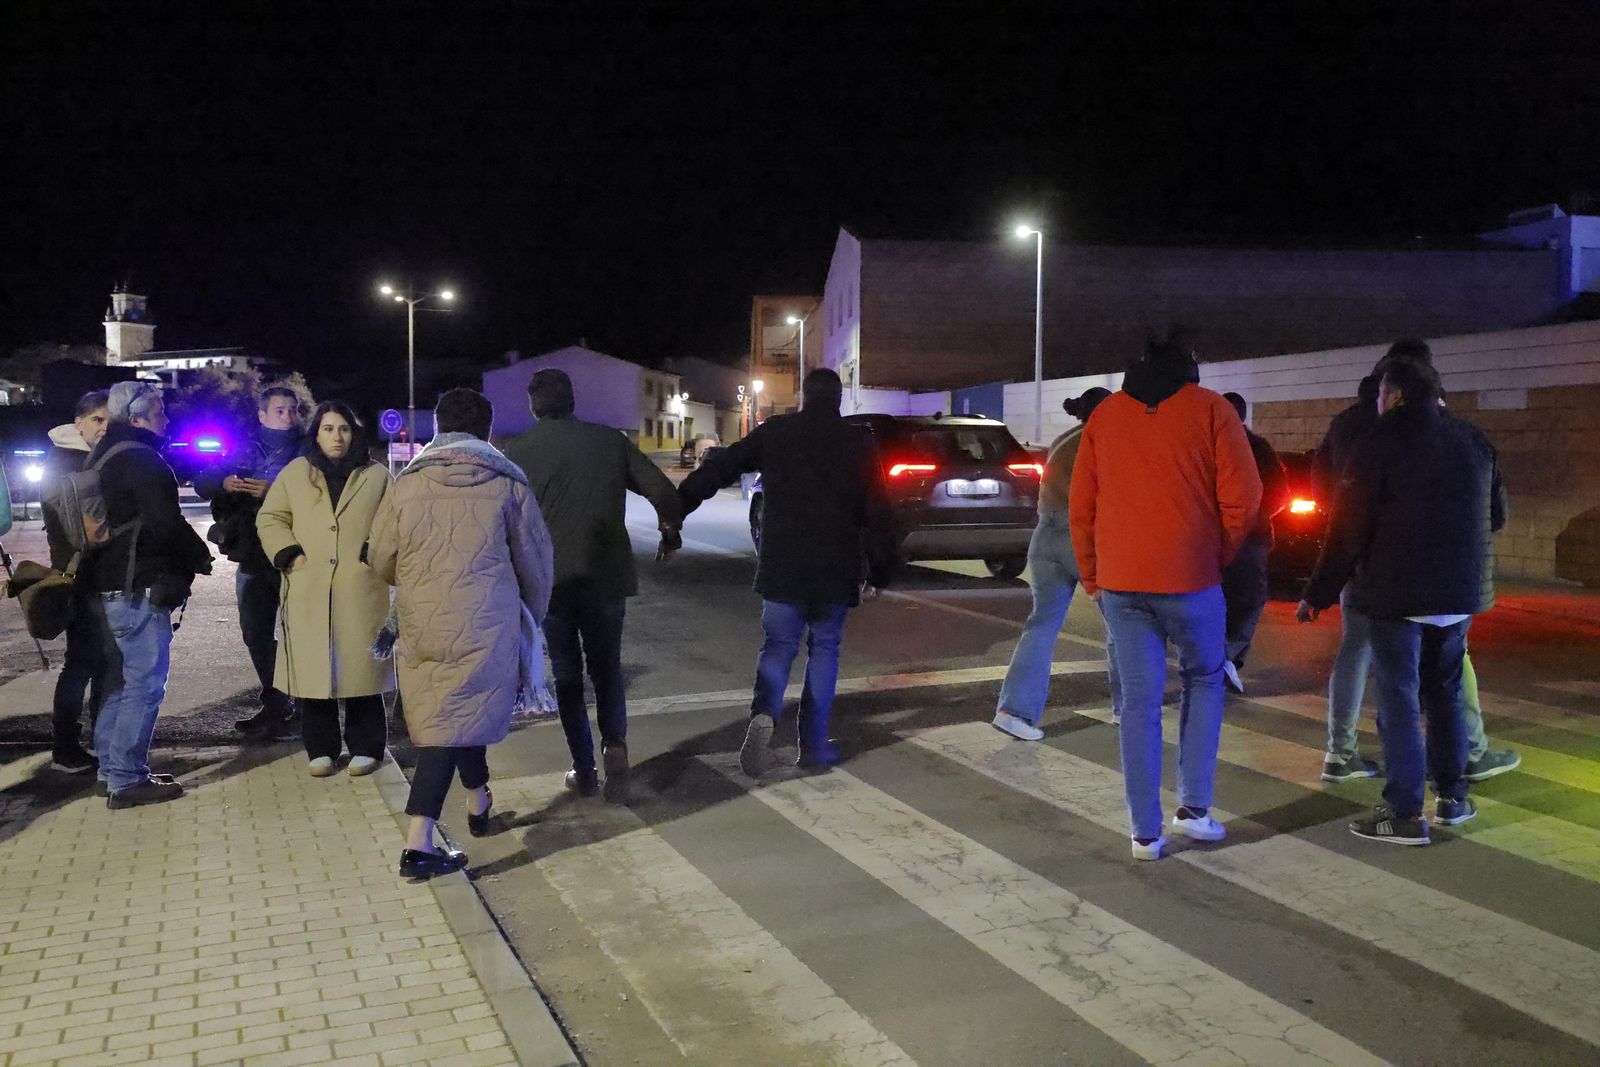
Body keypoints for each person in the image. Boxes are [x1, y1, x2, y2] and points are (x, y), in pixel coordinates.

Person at [1298, 358, 1508, 844]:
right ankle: (1453, 799)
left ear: (1392, 395)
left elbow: (1347, 530)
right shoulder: (1473, 440)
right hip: (1458, 595)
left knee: (1398, 699)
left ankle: (1405, 813)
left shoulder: (1378, 442)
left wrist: (1319, 593)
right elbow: (1497, 513)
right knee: (1446, 694)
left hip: (1397, 594)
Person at [1069, 333, 1262, 861]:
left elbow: (1081, 506)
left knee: (1139, 703)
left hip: (1122, 585)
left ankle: (1144, 833)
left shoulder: (1104, 418)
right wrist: (1211, 553)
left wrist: (1093, 577)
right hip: (1193, 580)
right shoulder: (1213, 411)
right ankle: (1195, 810)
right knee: (1203, 680)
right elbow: (1243, 498)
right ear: (1189, 369)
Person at [369, 388, 553, 880]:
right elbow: (535, 563)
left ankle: (478, 800)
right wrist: (531, 618)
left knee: (452, 716)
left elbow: (380, 557)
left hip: (421, 620)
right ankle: (418, 842)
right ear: (487, 431)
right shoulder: (509, 485)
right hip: (487, 621)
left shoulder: (405, 486)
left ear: (437, 427)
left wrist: (416, 585)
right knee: (451, 726)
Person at [679, 368, 893, 775]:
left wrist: (681, 502)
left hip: (783, 566)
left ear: (802, 396)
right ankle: (812, 745)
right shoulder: (858, 441)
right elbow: (878, 511)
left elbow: (725, 465)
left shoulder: (776, 432)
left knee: (778, 647)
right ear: (840, 400)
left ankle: (764, 716)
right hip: (835, 569)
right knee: (825, 650)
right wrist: (880, 571)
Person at [503, 369, 682, 803]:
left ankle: (584, 770)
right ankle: (615, 747)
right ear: (572, 401)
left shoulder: (518, 452)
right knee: (606, 670)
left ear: (533, 405)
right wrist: (669, 530)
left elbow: (502, 520)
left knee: (566, 675)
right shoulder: (609, 441)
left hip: (551, 583)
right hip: (605, 577)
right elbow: (662, 491)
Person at [88, 381, 213, 808]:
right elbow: (165, 523)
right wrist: (199, 556)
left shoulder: (105, 453)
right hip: (137, 583)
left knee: (122, 683)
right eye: (159, 412)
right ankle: (126, 779)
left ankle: (111, 770)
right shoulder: (142, 459)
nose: (167, 419)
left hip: (109, 583)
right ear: (138, 418)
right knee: (145, 684)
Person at [256, 402, 394, 778]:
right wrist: (288, 554)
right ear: (316, 433)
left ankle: (366, 746)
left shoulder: (376, 475)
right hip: (309, 585)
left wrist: (372, 551)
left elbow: (393, 521)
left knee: (361, 671)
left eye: (344, 429)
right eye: (329, 429)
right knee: (314, 673)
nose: (337, 437)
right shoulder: (297, 473)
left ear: (355, 433)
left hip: (360, 587)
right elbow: (271, 517)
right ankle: (321, 749)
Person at [992, 387, 1119, 741]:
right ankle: (1127, 707)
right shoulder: (1102, 438)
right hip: (1080, 534)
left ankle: (1014, 711)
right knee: (1122, 622)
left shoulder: (1065, 439)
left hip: (1044, 535)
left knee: (1041, 625)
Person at [195, 385, 303, 741]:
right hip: (254, 556)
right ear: (263, 414)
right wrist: (225, 482)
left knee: (300, 634)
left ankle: (306, 708)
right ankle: (276, 702)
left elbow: (326, 492)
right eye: (279, 410)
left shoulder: (308, 448)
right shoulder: (244, 447)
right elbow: (203, 481)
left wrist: (273, 492)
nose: (287, 417)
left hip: (297, 554)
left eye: (292, 410)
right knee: (255, 632)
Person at [40, 391, 111, 773]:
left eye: (108, 421)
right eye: (97, 420)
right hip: (82, 577)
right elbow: (85, 530)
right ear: (79, 421)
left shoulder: (73, 458)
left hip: (79, 574)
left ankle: (92, 740)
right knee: (83, 663)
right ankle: (66, 746)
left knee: (93, 662)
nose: (103, 427)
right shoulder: (73, 463)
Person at [1218, 391, 1289, 694]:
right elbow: (1279, 494)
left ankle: (1219, 659)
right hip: (1249, 539)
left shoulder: (1208, 447)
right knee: (1247, 600)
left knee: (1216, 601)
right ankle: (1228, 658)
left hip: (1214, 539)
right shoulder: (1258, 448)